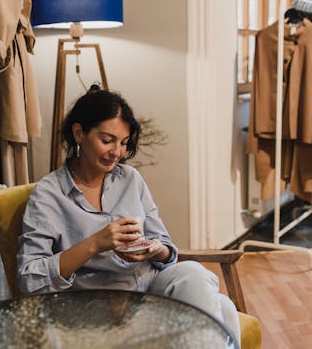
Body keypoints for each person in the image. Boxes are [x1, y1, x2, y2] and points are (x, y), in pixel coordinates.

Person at [17, 85, 240, 342]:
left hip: (151, 289)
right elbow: (29, 278)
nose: (117, 152)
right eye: (107, 140)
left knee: (194, 274)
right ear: (79, 133)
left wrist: (155, 249)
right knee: (224, 310)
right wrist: (95, 243)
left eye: (123, 143)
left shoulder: (130, 179)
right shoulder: (48, 194)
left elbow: (166, 248)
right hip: (100, 308)